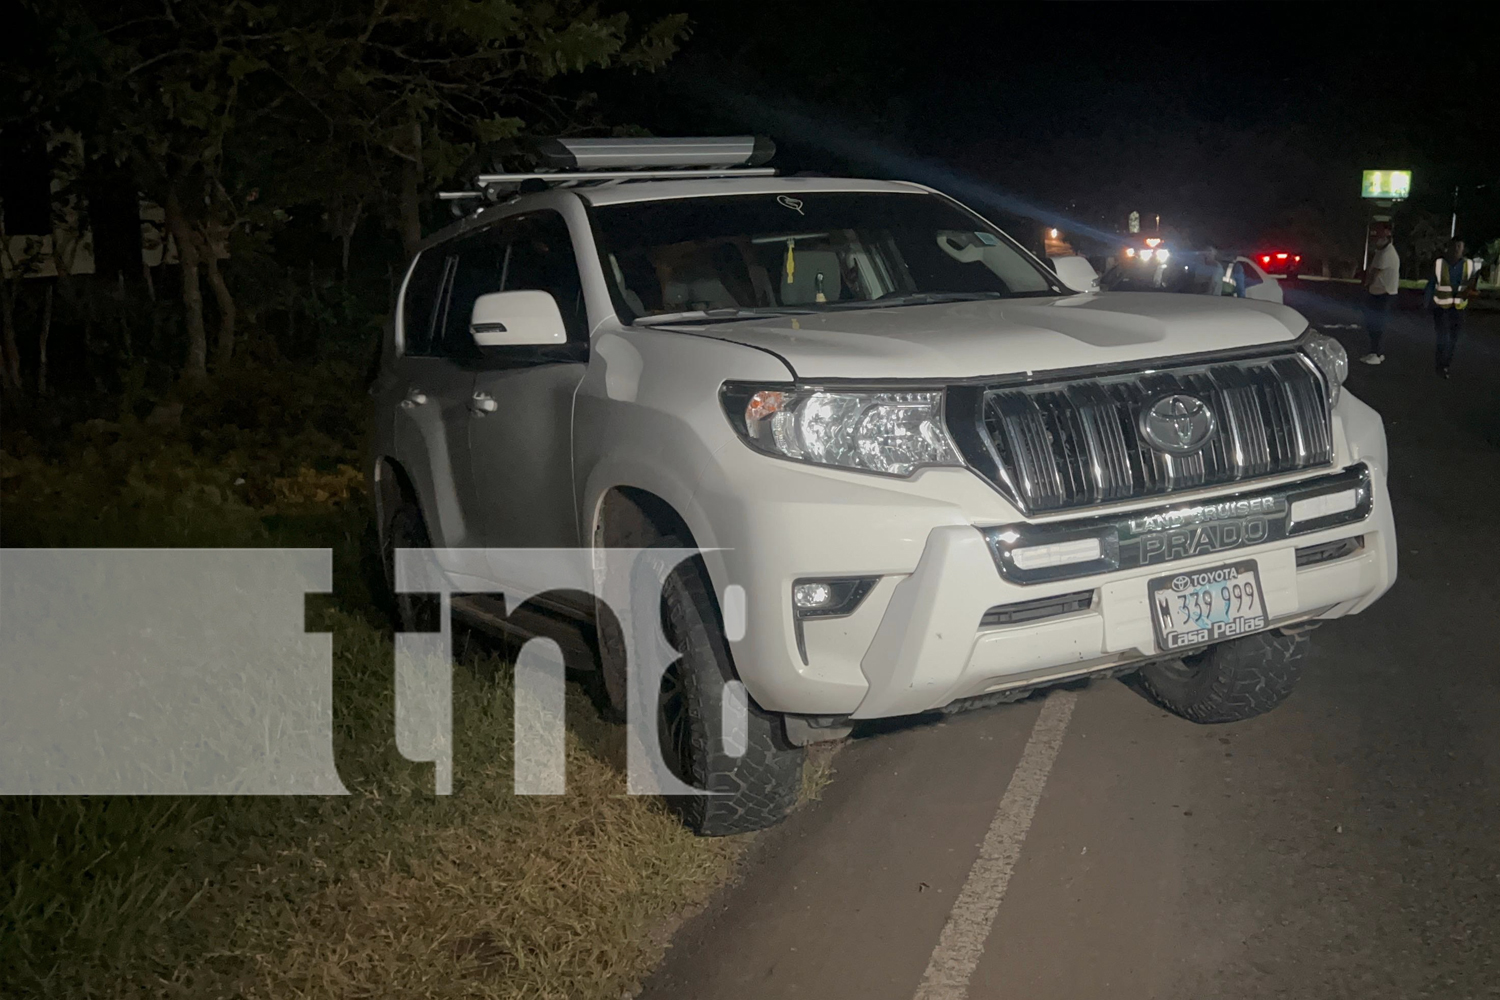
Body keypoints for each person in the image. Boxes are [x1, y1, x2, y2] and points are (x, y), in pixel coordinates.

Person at [1424, 238, 1481, 378]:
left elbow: (1473, 286)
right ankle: (1440, 365)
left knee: (1453, 339)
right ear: (1448, 248)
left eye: (1459, 246)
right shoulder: (1440, 264)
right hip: (1441, 307)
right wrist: (1426, 302)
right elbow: (1432, 284)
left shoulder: (1469, 265)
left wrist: (1471, 293)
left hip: (1459, 307)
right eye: (1454, 246)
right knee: (1443, 337)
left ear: (1463, 249)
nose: (1456, 249)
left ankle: (1445, 364)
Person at [1359, 224, 1400, 364]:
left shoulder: (1387, 253)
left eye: (1379, 237)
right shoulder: (1382, 251)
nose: (1376, 239)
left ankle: (1376, 353)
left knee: (1376, 324)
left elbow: (1375, 273)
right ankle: (1376, 352)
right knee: (1375, 323)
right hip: (1380, 292)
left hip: (1383, 293)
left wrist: (1365, 286)